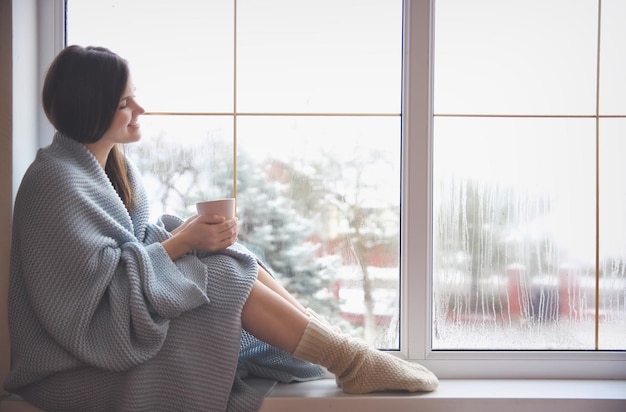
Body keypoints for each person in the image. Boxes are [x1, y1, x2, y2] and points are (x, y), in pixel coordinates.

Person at [4, 45, 438, 412]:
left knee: (224, 255)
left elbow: (128, 253)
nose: (140, 109)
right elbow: (86, 302)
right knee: (224, 274)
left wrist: (187, 237)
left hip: (121, 323)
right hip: (72, 363)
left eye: (134, 96)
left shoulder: (114, 167)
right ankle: (349, 360)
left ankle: (346, 352)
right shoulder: (52, 181)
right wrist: (181, 244)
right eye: (124, 104)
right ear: (90, 109)